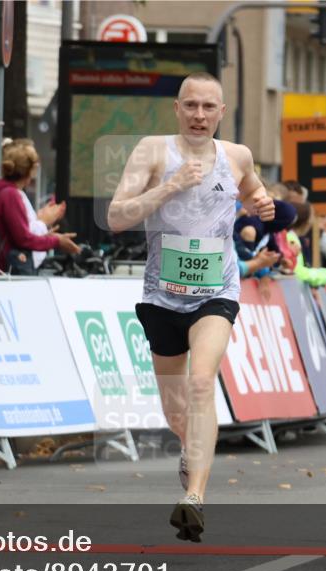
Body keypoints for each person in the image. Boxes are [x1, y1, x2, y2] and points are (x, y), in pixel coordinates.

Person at [107, 72, 275, 542]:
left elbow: (254, 190)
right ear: (177, 109)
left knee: (203, 382)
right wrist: (171, 185)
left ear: (221, 113)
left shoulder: (236, 155)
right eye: (191, 106)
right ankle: (190, 447)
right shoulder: (153, 151)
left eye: (208, 107)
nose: (199, 115)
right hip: (161, 296)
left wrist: (262, 203)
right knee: (177, 410)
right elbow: (116, 217)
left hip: (216, 292)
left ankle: (194, 498)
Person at [0, 139, 78, 274]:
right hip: (4, 274)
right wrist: (56, 240)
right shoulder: (11, 195)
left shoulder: (1, 192)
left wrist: (47, 237)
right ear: (31, 171)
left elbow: (15, 235)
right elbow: (23, 239)